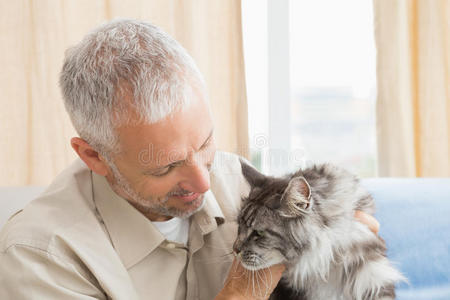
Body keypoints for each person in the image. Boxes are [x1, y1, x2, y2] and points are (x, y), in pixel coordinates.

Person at [0, 19, 379, 300]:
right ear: (93, 156)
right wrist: (244, 290)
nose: (204, 183)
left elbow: (351, 233)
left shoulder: (236, 179)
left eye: (205, 143)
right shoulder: (40, 259)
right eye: (165, 166)